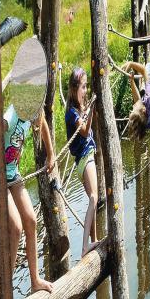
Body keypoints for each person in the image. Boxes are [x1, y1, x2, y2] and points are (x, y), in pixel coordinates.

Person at [4, 99, 55, 293]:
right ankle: (6, 292)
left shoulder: (32, 115)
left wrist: (50, 155)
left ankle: (35, 281)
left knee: (31, 220)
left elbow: (42, 124)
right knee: (16, 227)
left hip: (13, 173)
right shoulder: (14, 112)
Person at [64, 67, 98, 256]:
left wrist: (89, 108)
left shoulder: (78, 109)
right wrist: (92, 108)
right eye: (83, 87)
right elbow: (84, 131)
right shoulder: (72, 113)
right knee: (94, 198)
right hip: (85, 157)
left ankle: (93, 241)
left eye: (86, 87)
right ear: (75, 88)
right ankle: (85, 246)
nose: (85, 91)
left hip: (84, 159)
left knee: (93, 200)